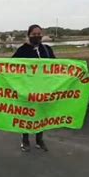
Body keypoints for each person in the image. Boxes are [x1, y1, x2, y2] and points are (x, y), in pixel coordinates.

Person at [13, 24, 55, 152]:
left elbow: (56, 66)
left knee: (42, 116)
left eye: (39, 34)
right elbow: (11, 67)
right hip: (27, 90)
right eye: (34, 34)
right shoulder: (22, 50)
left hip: (43, 89)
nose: (37, 36)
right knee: (26, 115)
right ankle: (25, 140)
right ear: (29, 35)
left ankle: (39, 140)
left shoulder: (47, 49)